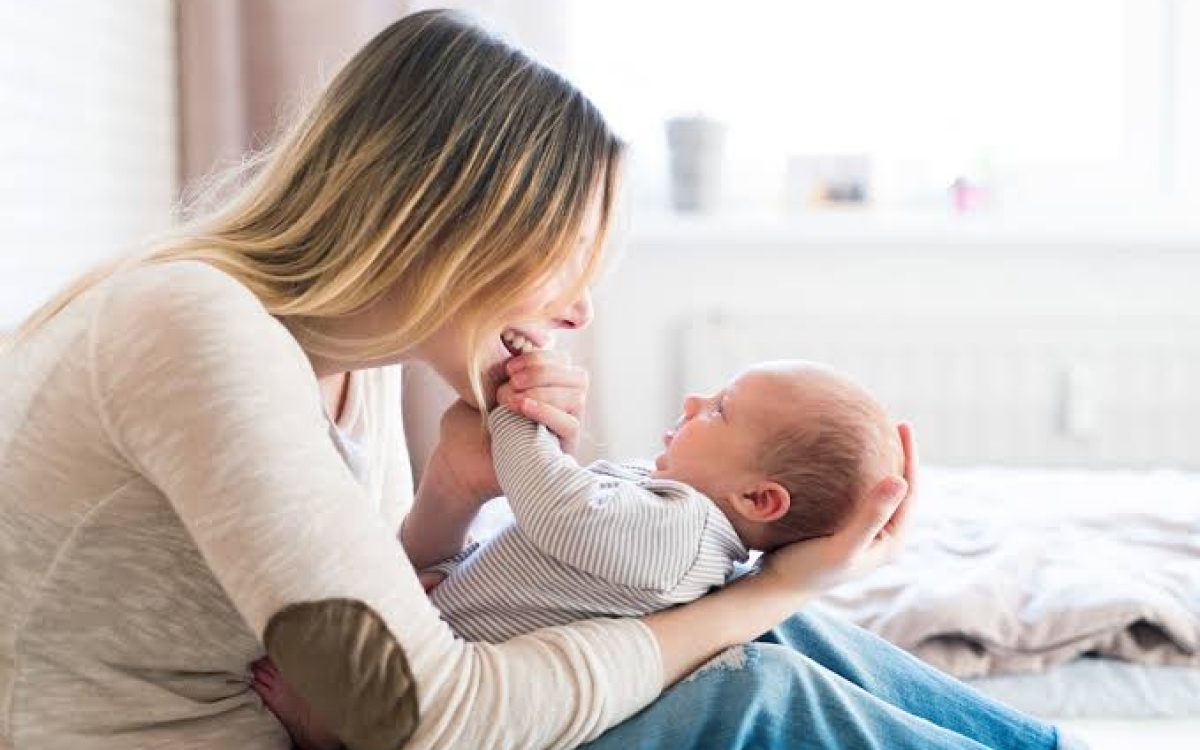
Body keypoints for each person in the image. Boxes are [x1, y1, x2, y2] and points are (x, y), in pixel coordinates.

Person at [0, 9, 1079, 750]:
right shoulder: (195, 329)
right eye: (569, 258)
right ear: (454, 223)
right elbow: (427, 716)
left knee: (753, 623)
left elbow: (331, 613)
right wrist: (765, 593)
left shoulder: (343, 355)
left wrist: (448, 500)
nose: (578, 310)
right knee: (749, 670)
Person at [425, 360, 903, 644]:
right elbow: (528, 562)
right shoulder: (675, 504)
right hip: (439, 626)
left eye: (720, 410)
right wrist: (450, 574)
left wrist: (518, 412)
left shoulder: (682, 536)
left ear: (757, 498)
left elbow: (557, 508)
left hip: (454, 676)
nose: (695, 401)